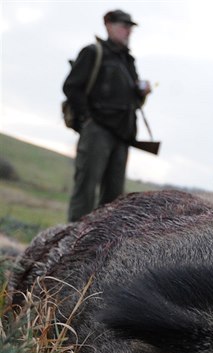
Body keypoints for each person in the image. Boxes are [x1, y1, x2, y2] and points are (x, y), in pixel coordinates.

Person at [63, 10, 152, 222]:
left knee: (113, 200)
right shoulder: (94, 52)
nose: (128, 30)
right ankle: (74, 245)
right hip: (98, 130)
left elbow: (133, 102)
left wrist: (141, 93)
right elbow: (71, 87)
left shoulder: (128, 61)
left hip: (122, 135)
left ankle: (102, 249)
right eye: (123, 25)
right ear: (108, 25)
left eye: (130, 27)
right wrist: (88, 119)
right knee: (86, 189)